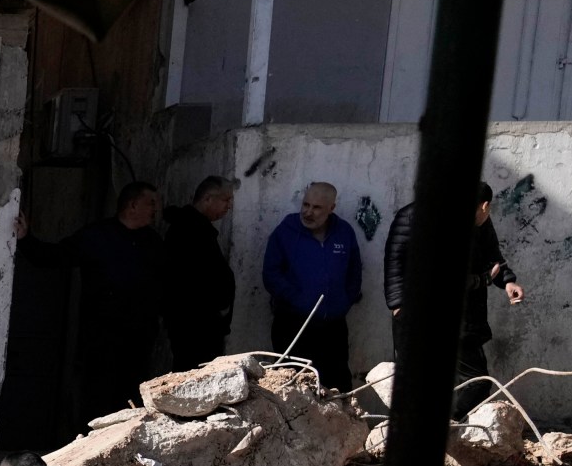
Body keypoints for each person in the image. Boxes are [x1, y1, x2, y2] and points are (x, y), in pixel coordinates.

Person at [384, 182, 524, 419]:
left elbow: (492, 255)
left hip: (463, 319)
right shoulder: (415, 218)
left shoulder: (479, 222)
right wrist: (398, 306)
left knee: (473, 382)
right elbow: (402, 266)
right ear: (485, 206)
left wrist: (507, 281)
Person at [66, 182, 166, 422]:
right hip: (100, 338)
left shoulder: (152, 243)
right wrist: (26, 240)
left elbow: (166, 285)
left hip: (137, 341)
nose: (156, 209)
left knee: (130, 400)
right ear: (133, 205)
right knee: (96, 399)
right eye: (151, 203)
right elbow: (57, 255)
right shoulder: (97, 236)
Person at [261, 181, 363, 391]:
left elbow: (354, 271)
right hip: (293, 323)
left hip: (333, 326)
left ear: (331, 208)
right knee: (294, 387)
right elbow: (271, 273)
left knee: (337, 386)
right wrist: (297, 300)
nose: (308, 212)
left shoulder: (344, 232)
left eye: (316, 208)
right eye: (306, 205)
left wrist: (344, 302)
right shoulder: (286, 231)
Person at [161, 175, 237, 369]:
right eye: (226, 200)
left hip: (202, 323)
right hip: (193, 325)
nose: (229, 206)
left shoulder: (198, 228)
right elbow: (189, 280)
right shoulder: (188, 230)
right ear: (208, 199)